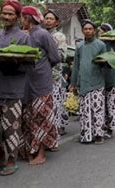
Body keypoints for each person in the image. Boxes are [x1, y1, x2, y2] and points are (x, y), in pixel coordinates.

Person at [0, 0, 30, 176]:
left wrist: (13, 61)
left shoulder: (24, 37)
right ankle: (0, 158)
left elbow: (29, 63)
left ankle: (12, 160)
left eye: (10, 14)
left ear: (18, 17)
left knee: (10, 126)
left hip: (12, 88)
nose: (6, 16)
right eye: (4, 13)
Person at [21, 6, 61, 165]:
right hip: (26, 82)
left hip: (41, 82)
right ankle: (31, 149)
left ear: (27, 19)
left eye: (22, 17)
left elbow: (55, 57)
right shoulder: (24, 35)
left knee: (41, 117)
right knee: (29, 117)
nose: (21, 20)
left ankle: (42, 153)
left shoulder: (43, 34)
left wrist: (41, 67)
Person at [70, 19, 107, 144]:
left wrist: (104, 63)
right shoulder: (79, 46)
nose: (88, 31)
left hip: (97, 81)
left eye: (90, 29)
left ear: (94, 30)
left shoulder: (101, 45)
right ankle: (86, 135)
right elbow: (75, 66)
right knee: (85, 111)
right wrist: (73, 83)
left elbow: (106, 63)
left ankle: (99, 135)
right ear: (82, 31)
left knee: (97, 109)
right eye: (85, 29)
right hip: (83, 82)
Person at [44, 9, 69, 143]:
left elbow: (62, 56)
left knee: (55, 104)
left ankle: (56, 131)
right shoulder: (40, 34)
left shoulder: (59, 36)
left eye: (50, 19)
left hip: (54, 75)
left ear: (56, 22)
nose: (47, 20)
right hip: (40, 77)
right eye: (46, 18)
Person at [97, 23, 115, 138]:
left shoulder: (114, 43)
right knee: (103, 105)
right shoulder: (99, 44)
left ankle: (111, 129)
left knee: (111, 105)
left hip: (113, 78)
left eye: (101, 31)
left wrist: (110, 35)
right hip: (102, 78)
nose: (99, 33)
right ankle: (103, 126)